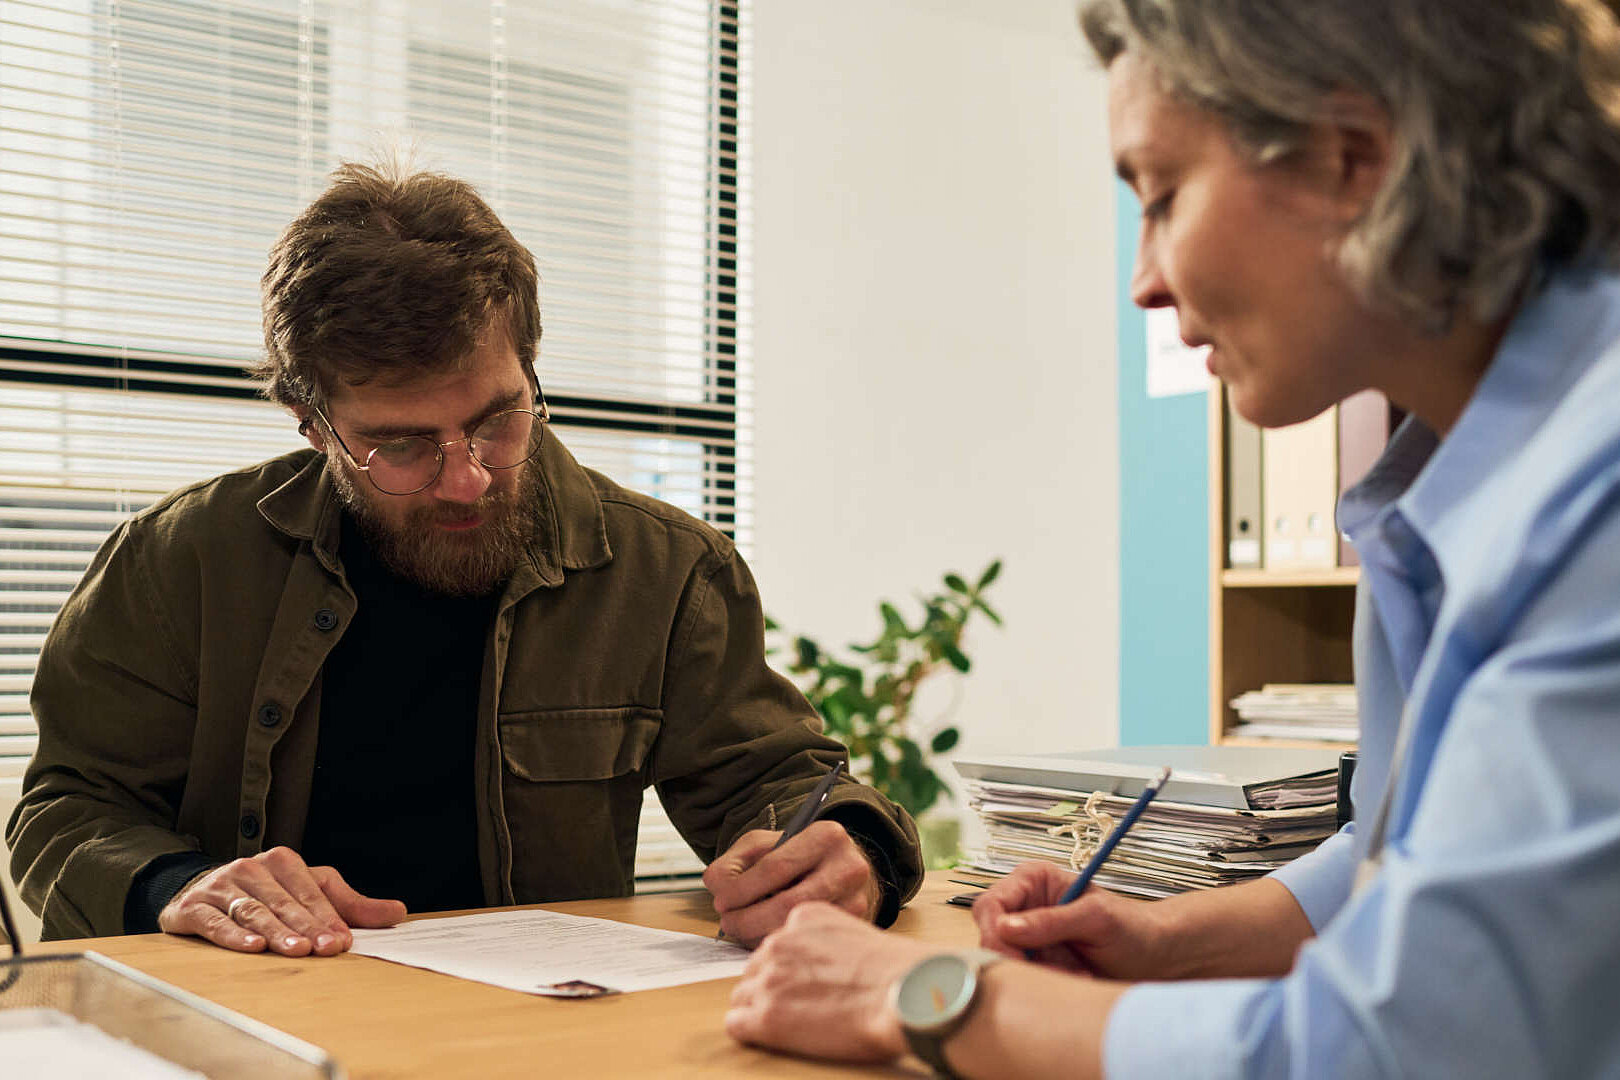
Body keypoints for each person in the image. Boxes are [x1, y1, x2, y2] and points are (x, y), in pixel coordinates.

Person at [724, 0, 1620, 1076]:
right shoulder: (1444, 483)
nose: (1145, 279)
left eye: (1162, 196)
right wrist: (1169, 940)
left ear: (1354, 158)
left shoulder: (1593, 492)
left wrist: (933, 999)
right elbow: (1429, 862)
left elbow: (1399, 1047)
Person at [6, 162, 921, 955]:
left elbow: (778, 779)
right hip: (257, 1026)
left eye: (497, 419)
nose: (467, 480)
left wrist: (853, 850)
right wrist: (177, 883)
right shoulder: (182, 561)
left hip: (527, 1039)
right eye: (401, 444)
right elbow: (64, 811)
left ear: (531, 368)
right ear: (312, 425)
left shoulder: (665, 568)